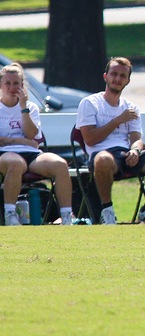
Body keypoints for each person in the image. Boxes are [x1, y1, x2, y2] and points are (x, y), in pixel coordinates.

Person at [75, 57, 145, 225]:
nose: (117, 79)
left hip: (127, 155)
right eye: (114, 74)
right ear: (105, 77)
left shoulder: (131, 107)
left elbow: (136, 138)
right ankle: (107, 210)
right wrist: (117, 120)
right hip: (103, 156)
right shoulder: (90, 103)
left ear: (128, 81)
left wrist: (135, 150)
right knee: (102, 159)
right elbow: (90, 139)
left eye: (122, 76)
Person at [1, 63, 75, 225]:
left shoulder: (30, 107)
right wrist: (21, 141)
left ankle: (67, 216)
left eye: (16, 84)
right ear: (1, 85)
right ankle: (10, 215)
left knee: (60, 164)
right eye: (8, 83)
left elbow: (31, 135)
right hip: (5, 155)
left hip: (32, 154)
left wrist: (23, 107)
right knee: (15, 163)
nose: (12, 87)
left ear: (22, 86)